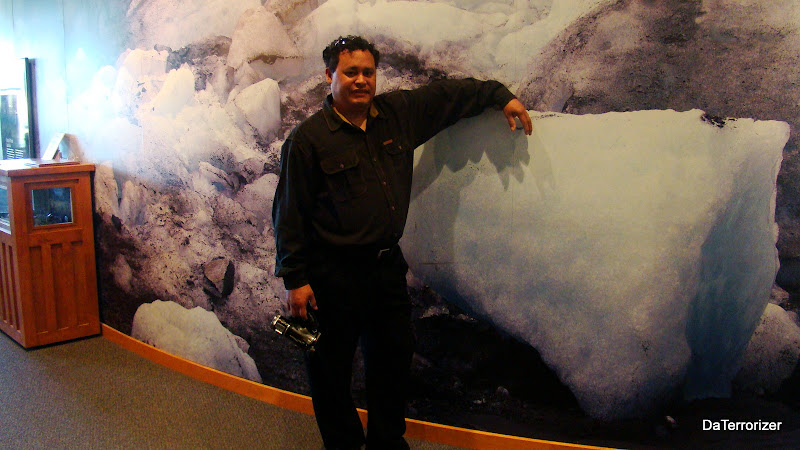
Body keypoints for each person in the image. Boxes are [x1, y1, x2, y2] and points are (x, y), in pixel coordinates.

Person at [272, 35, 532, 450]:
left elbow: (450, 96)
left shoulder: (398, 114)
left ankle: (387, 444)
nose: (361, 80)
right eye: (350, 72)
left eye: (368, 72)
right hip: (331, 277)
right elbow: (289, 212)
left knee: (392, 364)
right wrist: (295, 278)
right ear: (329, 75)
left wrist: (500, 96)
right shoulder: (307, 140)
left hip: (385, 271)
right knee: (329, 373)